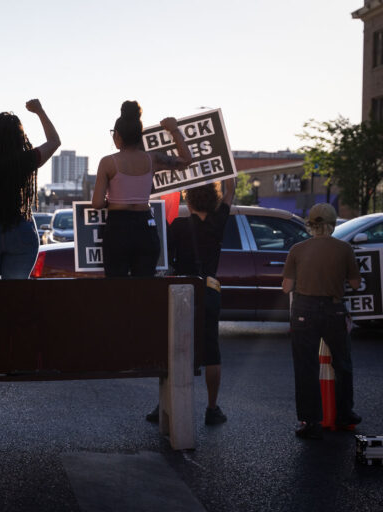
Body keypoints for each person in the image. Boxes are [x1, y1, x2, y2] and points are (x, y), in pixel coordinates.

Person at [281, 203, 362, 440]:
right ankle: (344, 414)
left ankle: (310, 421)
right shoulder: (344, 249)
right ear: (333, 223)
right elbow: (356, 284)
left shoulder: (297, 249)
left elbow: (287, 287)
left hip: (303, 310)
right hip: (334, 310)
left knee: (306, 366)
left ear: (311, 224)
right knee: (343, 363)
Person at [159, 178, 235, 426]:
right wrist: (226, 172)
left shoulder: (178, 226)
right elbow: (230, 191)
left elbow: (165, 260)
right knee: (212, 351)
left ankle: (163, 404)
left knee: (173, 348)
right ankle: (212, 409)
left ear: (188, 200)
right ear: (213, 200)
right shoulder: (218, 222)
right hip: (210, 290)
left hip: (181, 291)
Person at [91, 101, 193, 277]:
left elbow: (97, 203)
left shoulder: (108, 162)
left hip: (117, 227)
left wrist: (115, 201)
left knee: (117, 288)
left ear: (117, 135)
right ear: (139, 137)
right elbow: (186, 160)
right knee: (144, 287)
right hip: (145, 226)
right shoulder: (152, 159)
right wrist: (174, 130)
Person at [0, 99, 60, 279]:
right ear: (19, 136)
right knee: (15, 295)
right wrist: (39, 111)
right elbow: (54, 142)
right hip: (21, 228)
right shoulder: (27, 160)